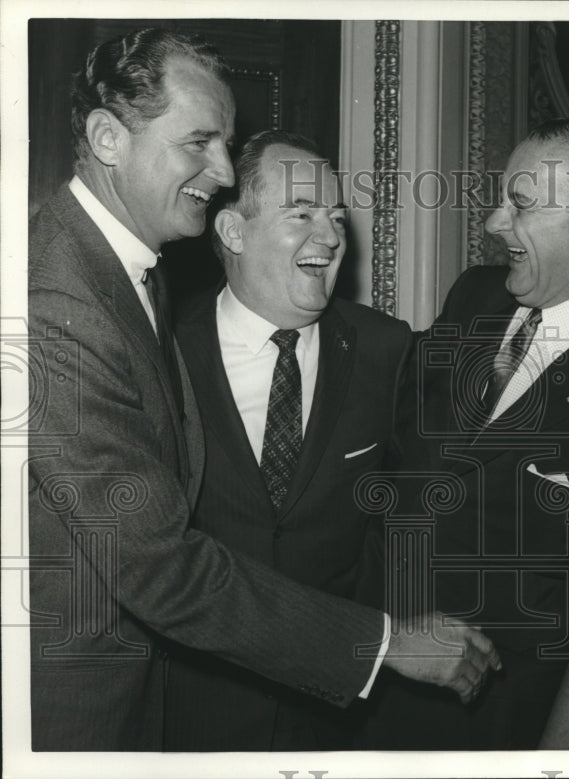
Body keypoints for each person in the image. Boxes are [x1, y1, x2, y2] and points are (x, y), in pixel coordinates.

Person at [27, 28, 498, 751]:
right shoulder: (61, 292)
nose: (220, 170)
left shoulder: (132, 281)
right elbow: (158, 566)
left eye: (226, 145)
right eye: (199, 142)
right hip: (91, 713)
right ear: (107, 137)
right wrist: (386, 644)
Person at [361, 118, 569, 749]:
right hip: (372, 673)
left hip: (493, 712)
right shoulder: (475, 298)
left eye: (518, 205)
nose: (493, 223)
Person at [159, 130, 410, 750]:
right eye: (301, 214)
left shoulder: (387, 349)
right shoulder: (161, 350)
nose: (328, 236)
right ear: (234, 232)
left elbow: (400, 526)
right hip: (186, 715)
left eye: (335, 218)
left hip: (333, 719)